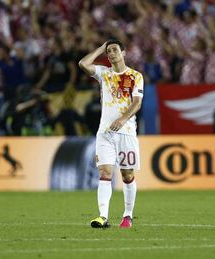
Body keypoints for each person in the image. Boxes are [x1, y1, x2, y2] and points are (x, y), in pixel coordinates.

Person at [78, 39, 144, 228]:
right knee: (105, 172)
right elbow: (83, 64)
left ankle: (127, 216)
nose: (111, 53)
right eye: (109, 51)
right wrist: (100, 48)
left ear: (124, 53)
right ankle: (103, 216)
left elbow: (137, 103)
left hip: (127, 133)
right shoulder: (104, 74)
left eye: (115, 50)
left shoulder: (135, 76)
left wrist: (122, 119)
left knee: (127, 175)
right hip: (105, 133)